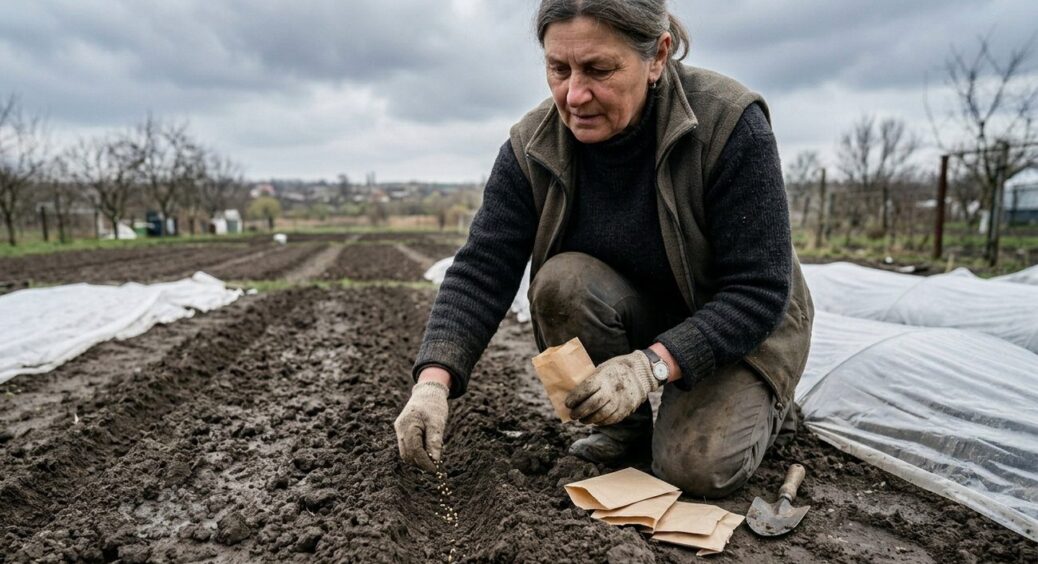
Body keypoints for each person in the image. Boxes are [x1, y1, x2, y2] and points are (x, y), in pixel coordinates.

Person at [394, 0, 813, 498]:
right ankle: (624, 427)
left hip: (733, 321)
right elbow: (483, 267)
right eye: (558, 68)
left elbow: (759, 289)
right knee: (560, 282)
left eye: (599, 69)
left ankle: (771, 403)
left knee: (695, 469)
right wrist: (432, 384)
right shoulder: (533, 147)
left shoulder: (727, 122)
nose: (574, 94)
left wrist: (648, 366)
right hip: (639, 306)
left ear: (657, 57)